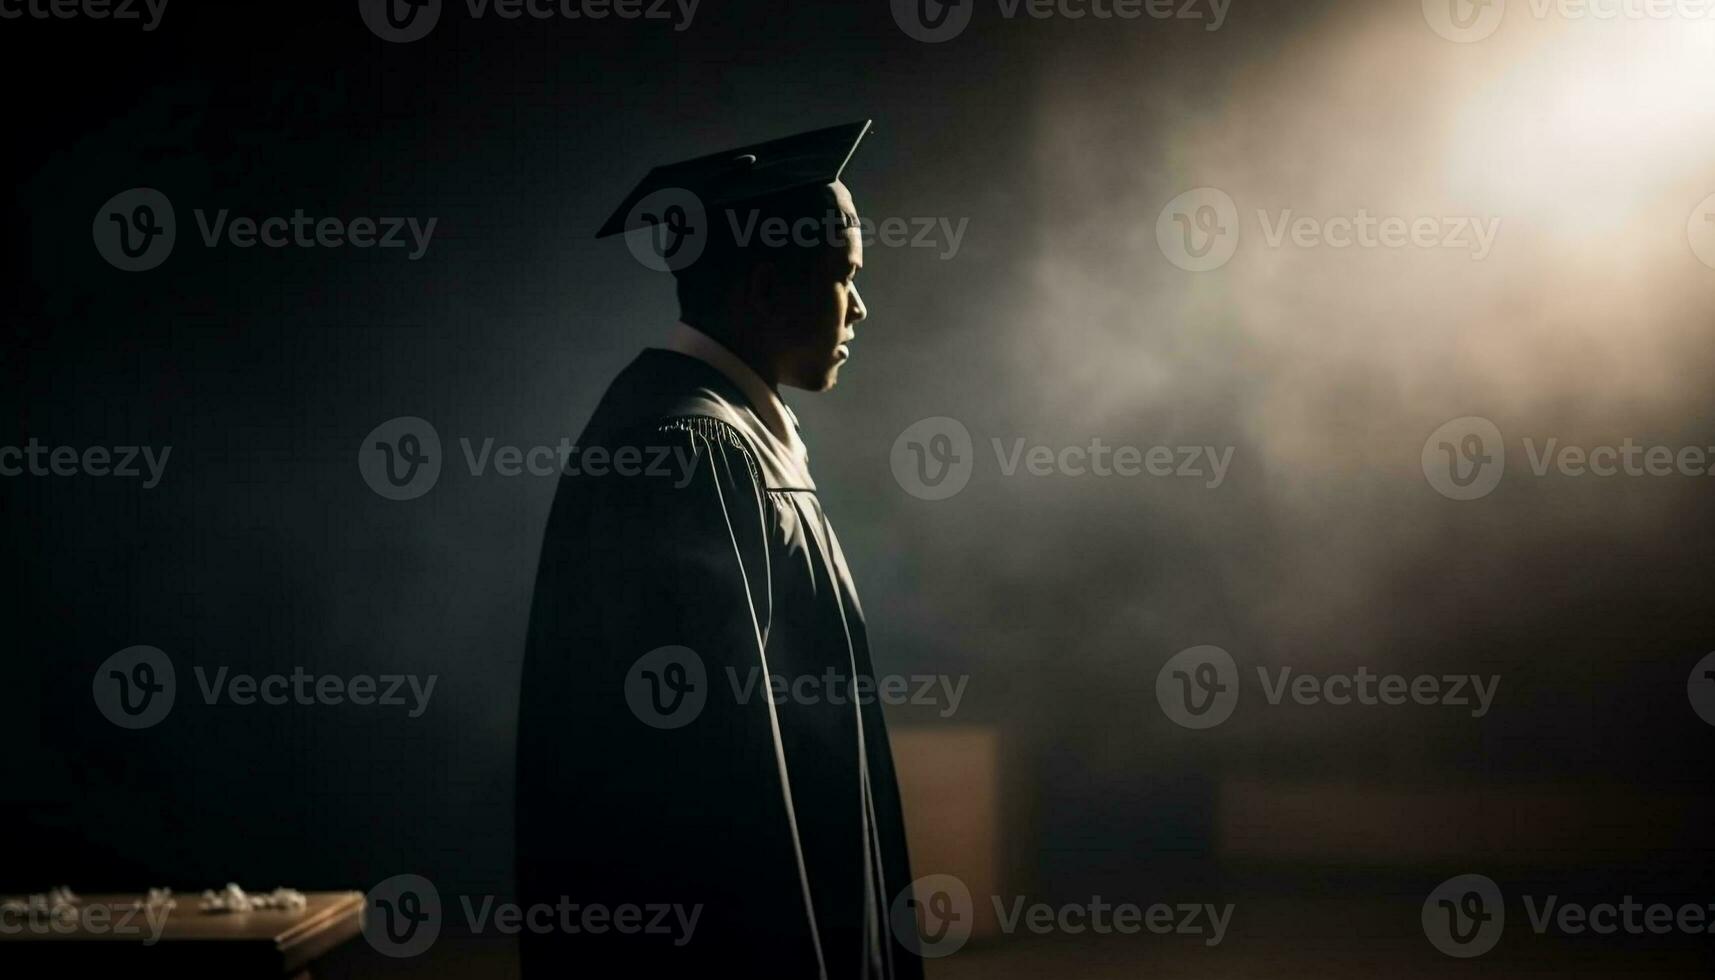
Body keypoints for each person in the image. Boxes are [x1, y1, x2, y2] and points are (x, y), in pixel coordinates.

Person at [515, 120, 924, 978]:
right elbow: (713, 776)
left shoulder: (720, 435)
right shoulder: (684, 453)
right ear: (768, 286)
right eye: (842, 275)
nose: (859, 306)